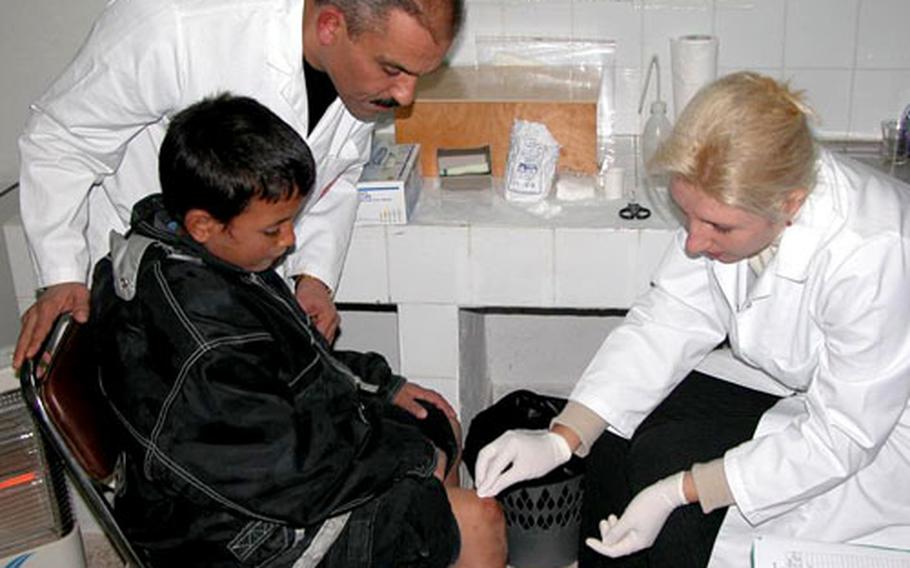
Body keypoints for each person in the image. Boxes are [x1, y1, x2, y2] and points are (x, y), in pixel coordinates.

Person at [473, 71, 910, 567]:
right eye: (688, 217)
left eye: (718, 227)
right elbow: (672, 314)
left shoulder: (873, 250)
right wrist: (563, 436)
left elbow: (842, 435)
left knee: (680, 505)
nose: (693, 243)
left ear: (791, 205)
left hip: (879, 426)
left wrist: (681, 491)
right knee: (614, 445)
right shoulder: (740, 202)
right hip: (792, 378)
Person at [90, 94, 506, 567]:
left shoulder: (195, 253)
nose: (290, 242)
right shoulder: (206, 346)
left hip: (266, 471)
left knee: (433, 424)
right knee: (477, 519)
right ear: (204, 224)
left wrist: (380, 386)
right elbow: (291, 479)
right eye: (275, 229)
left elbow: (294, 356)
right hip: (235, 536)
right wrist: (407, 460)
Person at [13, 0, 462, 369]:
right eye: (394, 70)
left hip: (242, 300)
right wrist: (61, 275)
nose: (406, 96)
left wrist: (314, 278)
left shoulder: (361, 78)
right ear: (330, 26)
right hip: (151, 288)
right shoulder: (176, 24)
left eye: (419, 75)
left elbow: (337, 173)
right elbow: (62, 139)